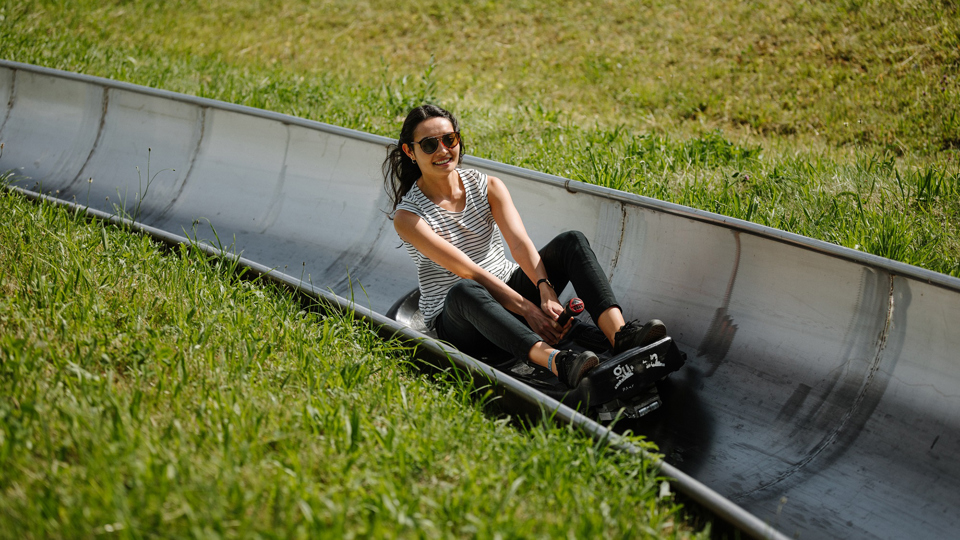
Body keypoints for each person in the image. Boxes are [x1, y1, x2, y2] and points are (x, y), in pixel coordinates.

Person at [383, 105, 666, 389]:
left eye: (449, 139)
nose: (443, 150)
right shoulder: (409, 218)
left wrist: (545, 289)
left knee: (571, 241)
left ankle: (619, 335)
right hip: (462, 319)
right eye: (429, 145)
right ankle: (558, 362)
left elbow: (519, 244)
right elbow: (470, 272)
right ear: (410, 151)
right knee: (465, 289)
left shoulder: (488, 186)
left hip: (508, 294)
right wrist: (528, 310)